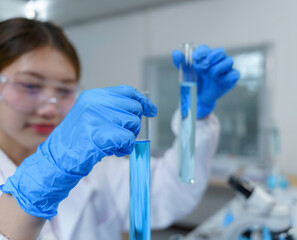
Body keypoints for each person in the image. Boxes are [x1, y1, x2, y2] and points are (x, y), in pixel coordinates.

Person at [0, 17, 240, 240]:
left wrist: (194, 117)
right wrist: (36, 184)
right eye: (30, 85)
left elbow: (172, 192)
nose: (49, 109)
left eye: (64, 90)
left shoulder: (99, 170)